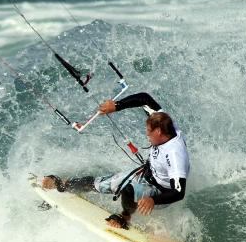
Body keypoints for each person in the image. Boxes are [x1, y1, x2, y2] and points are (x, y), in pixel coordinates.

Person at [42, 92, 190, 229]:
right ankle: (63, 184)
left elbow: (178, 191)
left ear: (158, 132)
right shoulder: (164, 122)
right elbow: (145, 99)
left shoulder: (175, 154)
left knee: (128, 189)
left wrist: (153, 200)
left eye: (149, 133)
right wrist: (117, 105)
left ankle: (125, 216)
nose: (147, 135)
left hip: (160, 191)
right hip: (147, 173)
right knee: (100, 184)